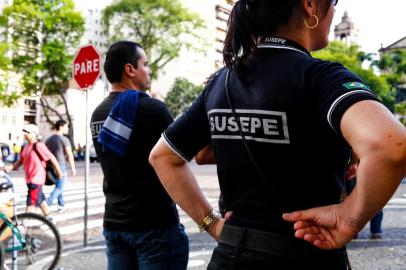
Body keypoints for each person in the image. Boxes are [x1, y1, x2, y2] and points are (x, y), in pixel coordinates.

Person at [149, 0, 406, 269]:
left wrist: (212, 224)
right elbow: (390, 145)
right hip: (305, 254)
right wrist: (350, 218)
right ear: (309, 5)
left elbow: (164, 157)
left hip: (230, 256)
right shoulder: (319, 76)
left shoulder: (221, 81)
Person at [90, 41, 188, 270]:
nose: (149, 70)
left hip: (115, 226)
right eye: (145, 64)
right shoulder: (152, 110)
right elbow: (183, 156)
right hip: (154, 227)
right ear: (130, 70)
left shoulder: (98, 114)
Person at [5, 124, 63, 216]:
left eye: (27, 132)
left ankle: (25, 225)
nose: (24, 134)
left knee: (30, 203)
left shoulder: (39, 146)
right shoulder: (25, 147)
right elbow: (20, 161)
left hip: (36, 179)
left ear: (33, 134)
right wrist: (10, 167)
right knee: (41, 201)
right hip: (29, 179)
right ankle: (50, 219)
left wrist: (59, 171)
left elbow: (51, 157)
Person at [345, 153, 384, 240]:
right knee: (375, 202)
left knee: (354, 203)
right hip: (368, 168)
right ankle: (375, 230)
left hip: (359, 167)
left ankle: (354, 232)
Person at [45, 120, 76, 212]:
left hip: (50, 165)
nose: (67, 129)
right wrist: (73, 167)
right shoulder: (64, 139)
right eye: (66, 127)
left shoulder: (49, 139)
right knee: (60, 187)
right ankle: (47, 202)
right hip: (60, 165)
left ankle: (61, 204)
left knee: (59, 185)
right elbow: (69, 154)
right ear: (61, 127)